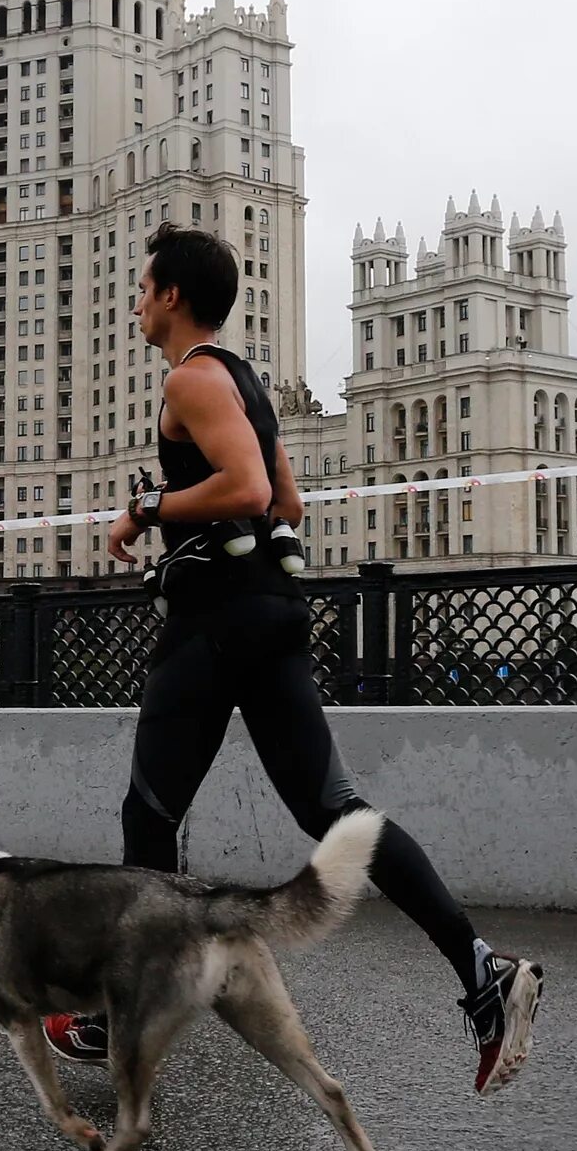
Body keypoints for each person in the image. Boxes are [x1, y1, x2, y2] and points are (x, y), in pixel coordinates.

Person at [78, 224, 544, 1095]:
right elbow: (286, 497)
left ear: (173, 295)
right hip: (272, 613)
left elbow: (250, 491)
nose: (136, 301)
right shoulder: (244, 382)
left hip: (213, 621)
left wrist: (146, 508)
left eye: (144, 288)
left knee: (149, 814)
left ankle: (128, 1010)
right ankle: (481, 971)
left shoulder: (191, 377)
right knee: (337, 813)